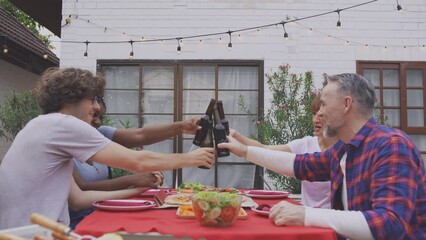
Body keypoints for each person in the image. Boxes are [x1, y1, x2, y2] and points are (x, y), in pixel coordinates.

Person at [0, 67, 215, 229]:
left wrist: (139, 191)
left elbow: (78, 200)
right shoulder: (62, 124)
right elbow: (138, 161)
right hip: (31, 234)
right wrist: (192, 158)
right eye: (92, 99)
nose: (95, 107)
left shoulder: (44, 125)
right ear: (71, 98)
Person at [219, 73, 426, 239]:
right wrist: (244, 151)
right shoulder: (345, 150)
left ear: (346, 104)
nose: (319, 114)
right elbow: (299, 165)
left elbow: (389, 224)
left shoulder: (391, 145)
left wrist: (307, 214)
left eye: (324, 105)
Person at [70, 100, 200, 228]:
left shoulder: (100, 133)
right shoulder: (64, 141)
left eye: (100, 117)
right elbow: (82, 189)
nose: (97, 121)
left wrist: (182, 127)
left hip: (104, 213)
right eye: (93, 115)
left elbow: (141, 135)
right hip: (76, 223)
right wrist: (133, 180)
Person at [230, 94, 339, 208]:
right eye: (314, 114)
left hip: (330, 219)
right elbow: (264, 149)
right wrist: (236, 136)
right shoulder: (305, 144)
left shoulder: (344, 152)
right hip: (304, 215)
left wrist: (243, 151)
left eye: (321, 115)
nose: (316, 119)